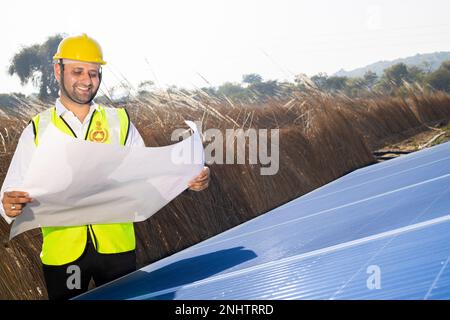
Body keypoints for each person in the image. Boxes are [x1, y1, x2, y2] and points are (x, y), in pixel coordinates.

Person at [0, 33, 210, 300]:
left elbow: (148, 175)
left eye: (94, 73)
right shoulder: (37, 129)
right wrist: (9, 204)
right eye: (78, 71)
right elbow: (9, 192)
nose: (87, 81)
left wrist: (189, 180)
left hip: (117, 251)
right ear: (58, 70)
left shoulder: (120, 123)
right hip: (64, 256)